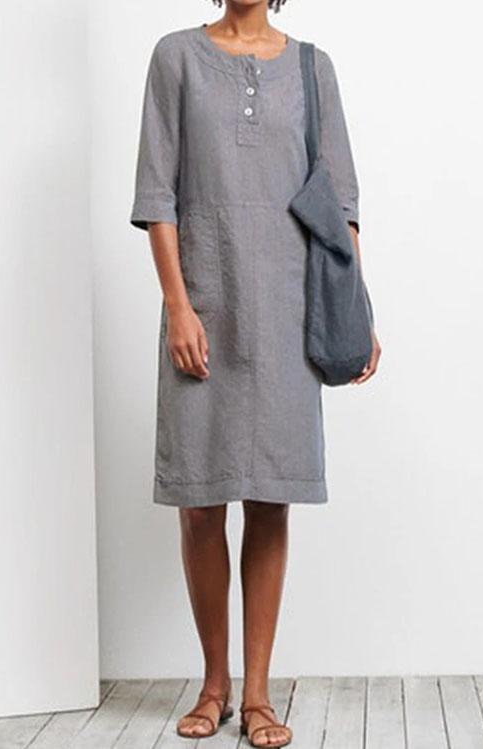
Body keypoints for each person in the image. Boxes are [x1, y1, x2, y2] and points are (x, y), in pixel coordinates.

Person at [130, 1, 381, 745]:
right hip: (205, 307)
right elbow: (157, 195)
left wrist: (355, 310)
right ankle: (214, 686)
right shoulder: (175, 58)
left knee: (271, 499)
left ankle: (260, 695)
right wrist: (178, 306)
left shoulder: (312, 67)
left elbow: (341, 205)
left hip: (288, 313)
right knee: (200, 503)